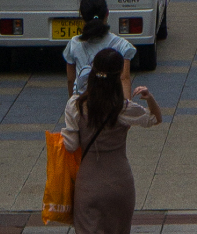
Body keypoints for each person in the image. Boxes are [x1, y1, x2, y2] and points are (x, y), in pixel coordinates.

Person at [59, 46, 162, 234]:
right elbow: (155, 118)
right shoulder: (124, 108)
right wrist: (150, 98)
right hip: (120, 184)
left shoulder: (76, 105)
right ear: (118, 77)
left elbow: (70, 145)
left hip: (88, 185)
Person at [63, 0, 136, 99]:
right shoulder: (122, 45)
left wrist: (72, 102)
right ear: (107, 13)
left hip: (83, 103)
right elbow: (124, 79)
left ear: (82, 16)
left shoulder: (74, 43)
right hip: (111, 104)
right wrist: (126, 105)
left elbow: (70, 79)